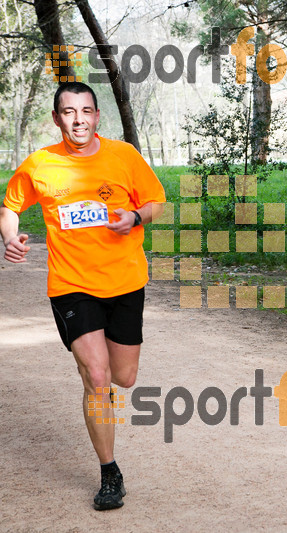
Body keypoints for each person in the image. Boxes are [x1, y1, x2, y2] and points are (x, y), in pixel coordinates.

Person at [0, 82, 166, 510]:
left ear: (97, 117)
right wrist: (9, 236)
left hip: (126, 281)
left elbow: (156, 202)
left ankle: (100, 385)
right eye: (69, 112)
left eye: (86, 111)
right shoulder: (40, 165)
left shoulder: (124, 156)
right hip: (72, 285)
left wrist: (133, 216)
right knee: (97, 377)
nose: (78, 119)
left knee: (122, 378)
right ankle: (110, 472)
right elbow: (10, 206)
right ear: (57, 119)